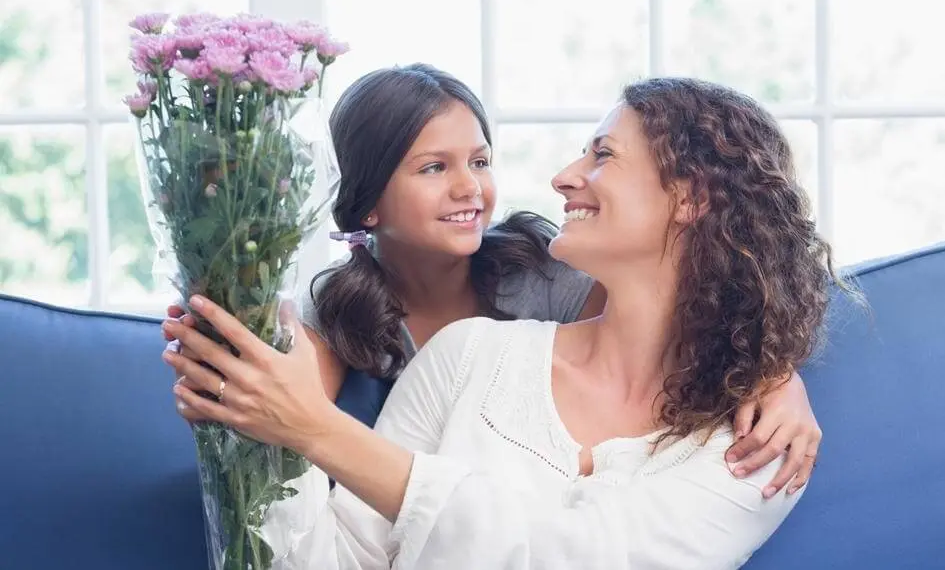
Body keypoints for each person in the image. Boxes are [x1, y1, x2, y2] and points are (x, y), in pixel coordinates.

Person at [164, 77, 847, 568]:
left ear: (692, 196)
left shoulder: (759, 447)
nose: (562, 176)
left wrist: (775, 374)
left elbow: (576, 557)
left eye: (602, 154)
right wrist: (254, 401)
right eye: (433, 167)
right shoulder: (463, 352)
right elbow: (333, 557)